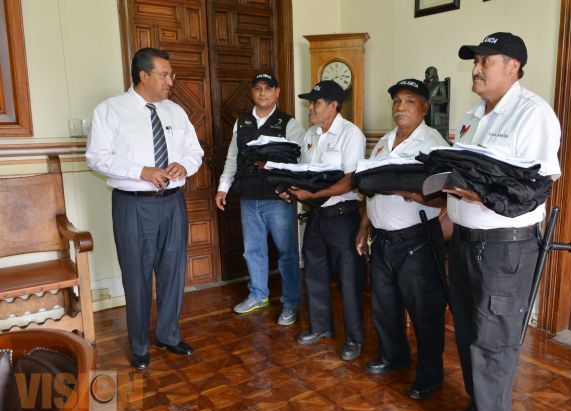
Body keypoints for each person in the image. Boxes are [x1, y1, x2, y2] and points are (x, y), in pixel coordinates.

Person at [443, 33, 561, 411]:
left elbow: (536, 186)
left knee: (493, 344)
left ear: (513, 66)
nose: (475, 69)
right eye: (475, 61)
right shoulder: (472, 113)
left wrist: (478, 194)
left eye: (484, 61)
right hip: (463, 242)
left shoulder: (533, 114)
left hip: (503, 252)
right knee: (467, 335)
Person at [86, 47, 204, 370]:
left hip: (172, 204)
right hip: (134, 205)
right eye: (165, 75)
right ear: (144, 76)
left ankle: (168, 334)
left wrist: (184, 165)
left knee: (173, 273)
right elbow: (96, 157)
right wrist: (141, 171)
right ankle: (138, 345)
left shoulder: (176, 112)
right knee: (137, 278)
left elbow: (196, 151)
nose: (171, 81)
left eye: (171, 75)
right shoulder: (109, 111)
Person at [355, 79, 449, 400]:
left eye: (409, 101)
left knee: (425, 311)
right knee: (384, 304)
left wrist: (411, 193)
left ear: (424, 107)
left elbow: (445, 198)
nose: (400, 107)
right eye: (396, 101)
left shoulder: (434, 145)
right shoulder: (382, 142)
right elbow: (371, 189)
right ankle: (394, 356)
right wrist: (364, 227)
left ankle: (429, 375)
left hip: (417, 241)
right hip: (382, 240)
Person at [284, 80, 366, 361]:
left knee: (348, 280)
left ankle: (354, 339)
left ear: (334, 105)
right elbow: (307, 172)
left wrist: (312, 192)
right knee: (315, 272)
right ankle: (320, 327)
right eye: (310, 103)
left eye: (316, 103)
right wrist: (293, 189)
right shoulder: (310, 134)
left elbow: (350, 181)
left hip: (342, 218)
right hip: (317, 215)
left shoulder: (351, 135)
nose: (311, 108)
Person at [215, 73, 304, 325]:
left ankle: (291, 303)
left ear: (277, 92)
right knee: (253, 251)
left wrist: (294, 189)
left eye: (268, 88)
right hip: (248, 197)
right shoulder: (241, 122)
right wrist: (223, 187)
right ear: (252, 92)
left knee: (286, 253)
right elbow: (232, 157)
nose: (262, 93)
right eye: (258, 88)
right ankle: (258, 295)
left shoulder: (289, 123)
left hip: (279, 198)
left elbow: (300, 162)